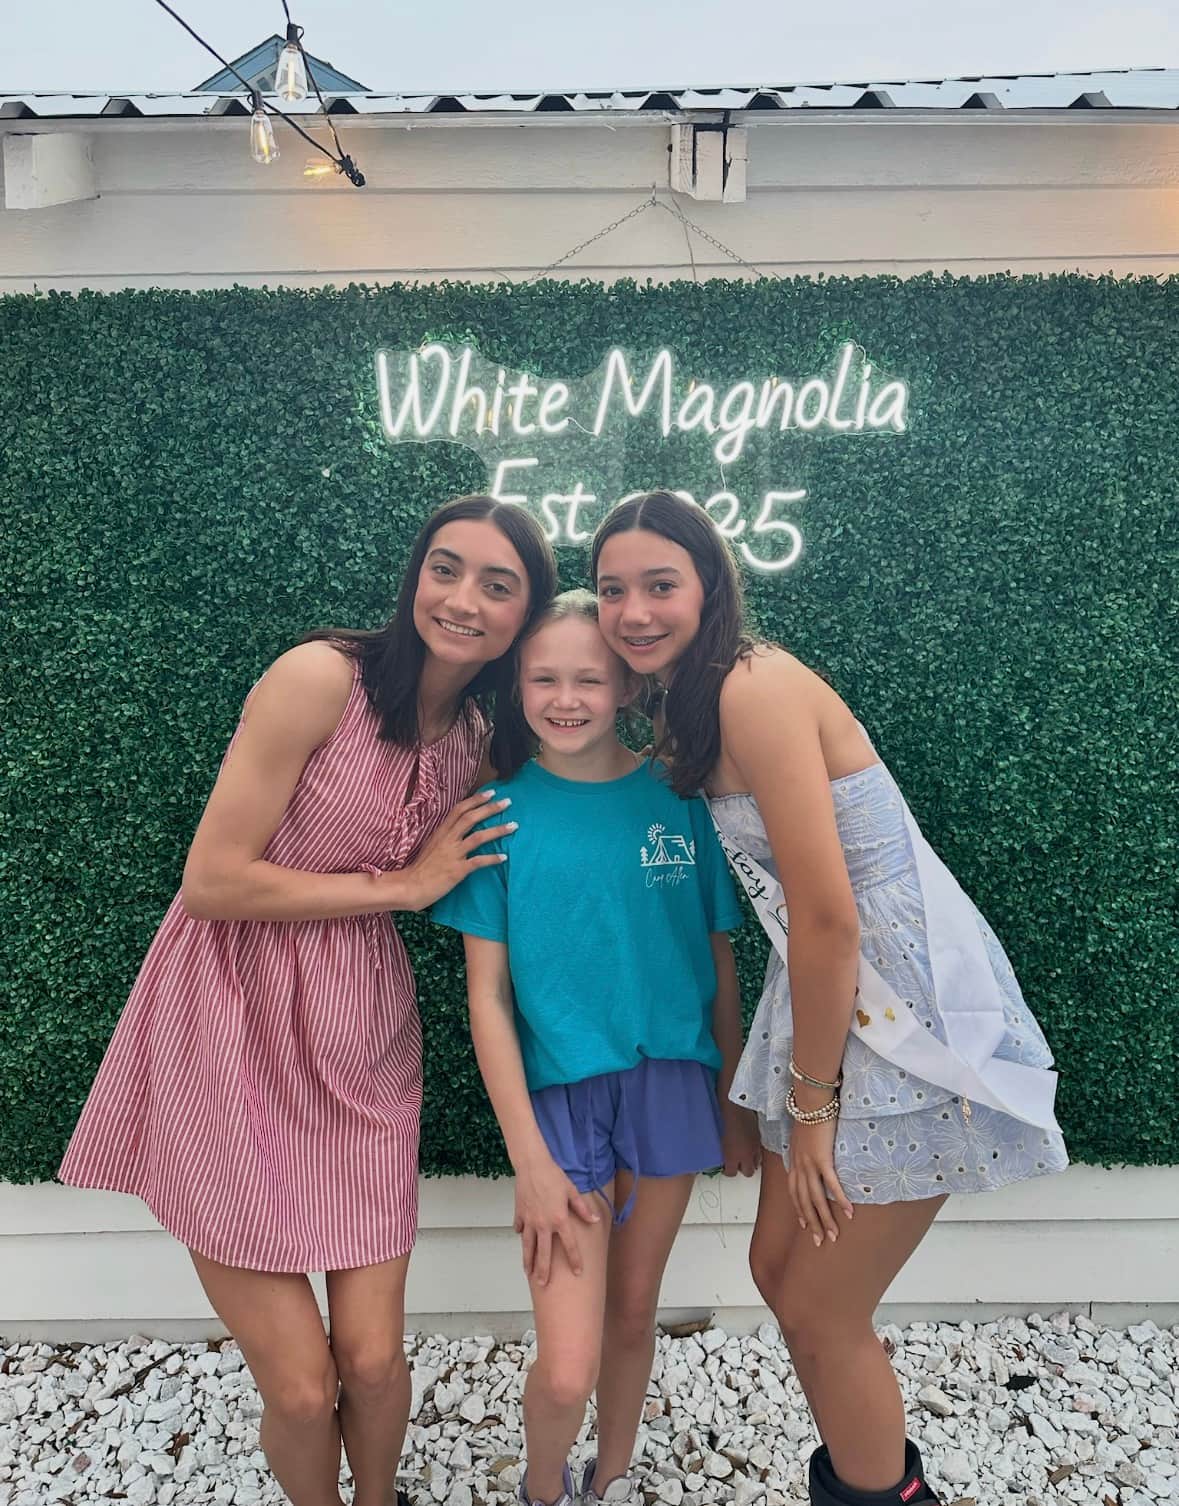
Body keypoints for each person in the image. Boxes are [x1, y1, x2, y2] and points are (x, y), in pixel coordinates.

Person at [59, 494, 558, 1506]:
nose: (463, 598)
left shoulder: (476, 738)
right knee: (299, 1386)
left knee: (372, 1364)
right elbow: (212, 880)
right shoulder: (316, 679)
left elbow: (569, 803)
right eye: (445, 567)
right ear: (414, 574)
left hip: (360, 1035)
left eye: (498, 585)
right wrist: (402, 887)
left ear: (525, 615)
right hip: (225, 1020)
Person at [591, 491, 1068, 1506]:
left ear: (711, 584)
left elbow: (830, 919)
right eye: (612, 589)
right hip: (822, 997)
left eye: (660, 584)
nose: (634, 610)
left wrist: (812, 1114)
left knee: (819, 1306)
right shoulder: (691, 699)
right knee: (780, 1271)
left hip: (900, 1004)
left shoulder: (753, 689)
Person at [433, 589, 759, 1506]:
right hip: (560, 1103)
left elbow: (716, 956)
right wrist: (528, 1163)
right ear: (516, 687)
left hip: (670, 1084)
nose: (565, 696)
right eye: (543, 677)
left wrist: (732, 1099)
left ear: (625, 686)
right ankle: (545, 1488)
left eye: (588, 677)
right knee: (567, 1363)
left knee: (631, 1311)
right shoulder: (496, 812)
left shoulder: (675, 798)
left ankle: (609, 1479)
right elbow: (488, 1002)